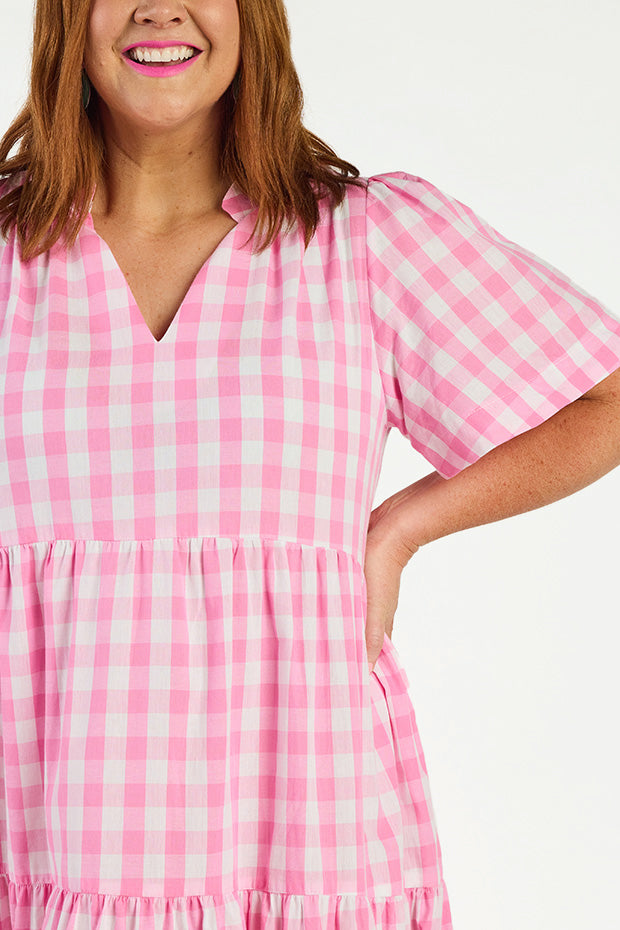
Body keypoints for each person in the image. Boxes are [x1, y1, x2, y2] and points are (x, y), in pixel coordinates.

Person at [1, 1, 620, 928]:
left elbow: (601, 399)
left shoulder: (363, 242)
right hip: (41, 826)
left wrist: (400, 528)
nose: (160, 8)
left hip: (302, 831)